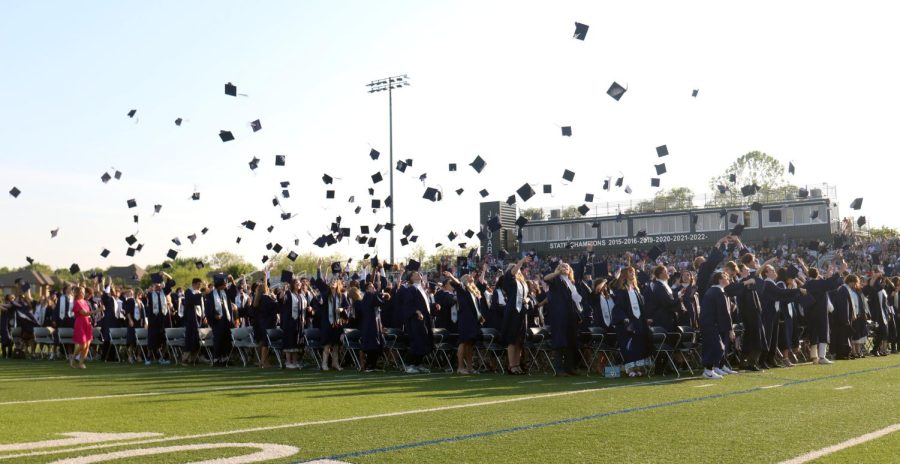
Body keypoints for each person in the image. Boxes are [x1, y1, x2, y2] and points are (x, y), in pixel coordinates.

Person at [543, 258, 585, 377]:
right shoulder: (556, 280)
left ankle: (569, 368)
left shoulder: (571, 282)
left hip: (571, 316)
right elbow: (546, 278)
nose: (564, 268)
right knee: (560, 343)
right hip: (559, 316)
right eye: (562, 266)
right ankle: (558, 369)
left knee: (570, 342)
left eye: (566, 267)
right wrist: (557, 272)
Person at [611, 266, 652, 377]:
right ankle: (630, 369)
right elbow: (618, 307)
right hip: (627, 323)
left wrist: (645, 318)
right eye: (630, 272)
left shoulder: (636, 289)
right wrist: (624, 318)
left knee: (639, 345)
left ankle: (639, 368)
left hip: (638, 322)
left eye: (633, 272)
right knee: (629, 346)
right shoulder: (620, 290)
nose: (632, 273)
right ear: (624, 274)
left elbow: (641, 307)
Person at [444, 270, 485, 375]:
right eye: (468, 275)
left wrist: (483, 270)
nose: (470, 276)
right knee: (463, 342)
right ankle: (460, 367)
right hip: (465, 320)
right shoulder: (462, 289)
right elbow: (457, 284)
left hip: (474, 320)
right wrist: (451, 276)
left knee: (470, 344)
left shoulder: (473, 291)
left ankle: (470, 367)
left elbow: (481, 283)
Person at [700, 272, 737, 379]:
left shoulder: (714, 290)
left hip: (710, 323)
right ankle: (708, 371)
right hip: (711, 324)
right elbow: (725, 312)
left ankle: (713, 368)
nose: (728, 278)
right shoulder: (718, 291)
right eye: (726, 277)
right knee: (716, 347)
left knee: (717, 347)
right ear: (720, 280)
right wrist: (730, 330)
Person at [499, 255, 531, 375]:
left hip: (522, 312)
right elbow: (513, 272)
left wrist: (527, 300)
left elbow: (526, 296)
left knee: (519, 340)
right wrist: (521, 261)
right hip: (513, 311)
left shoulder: (522, 283)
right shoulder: (509, 279)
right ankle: (511, 366)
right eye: (514, 268)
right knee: (512, 339)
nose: (517, 270)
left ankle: (517, 365)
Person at [314, 261, 350, 371]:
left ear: (338, 283)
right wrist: (319, 267)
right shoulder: (325, 294)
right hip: (327, 323)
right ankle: (324, 364)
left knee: (336, 346)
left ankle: (335, 364)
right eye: (331, 281)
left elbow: (347, 309)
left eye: (335, 281)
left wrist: (342, 309)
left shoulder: (342, 296)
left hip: (338, 323)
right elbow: (319, 281)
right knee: (327, 345)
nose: (333, 282)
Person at [397, 269, 434, 374]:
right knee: (417, 342)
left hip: (424, 319)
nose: (419, 274)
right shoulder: (411, 289)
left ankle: (418, 364)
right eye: (415, 274)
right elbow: (408, 304)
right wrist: (417, 311)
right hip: (416, 320)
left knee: (424, 341)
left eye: (419, 273)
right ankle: (409, 365)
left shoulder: (421, 288)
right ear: (411, 278)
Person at [205, 276, 235, 367]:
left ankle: (226, 358)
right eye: (224, 283)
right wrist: (214, 315)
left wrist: (232, 280)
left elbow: (234, 293)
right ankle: (217, 359)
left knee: (227, 339)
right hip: (217, 321)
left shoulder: (225, 292)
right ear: (219, 284)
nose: (226, 285)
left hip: (227, 320)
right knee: (218, 340)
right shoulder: (210, 295)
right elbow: (208, 309)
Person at [280, 277, 307, 369]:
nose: (299, 284)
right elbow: (282, 299)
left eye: (299, 283)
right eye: (296, 283)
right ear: (292, 285)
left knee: (296, 342)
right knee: (289, 341)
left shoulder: (301, 295)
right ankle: (288, 362)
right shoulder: (289, 293)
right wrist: (284, 290)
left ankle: (295, 362)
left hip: (299, 322)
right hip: (290, 321)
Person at [250, 277, 277, 369]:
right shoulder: (266, 298)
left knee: (261, 343)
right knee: (265, 343)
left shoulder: (257, 299)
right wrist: (275, 299)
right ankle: (264, 362)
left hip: (259, 324)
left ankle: (261, 361)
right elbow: (275, 307)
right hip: (266, 323)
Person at [71, 287, 100, 369]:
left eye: (84, 292)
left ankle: (81, 363)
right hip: (80, 324)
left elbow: (89, 313)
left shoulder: (85, 302)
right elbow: (84, 313)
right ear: (78, 293)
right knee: (83, 344)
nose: (83, 294)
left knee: (87, 345)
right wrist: (98, 310)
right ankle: (73, 357)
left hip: (87, 323)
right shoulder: (77, 302)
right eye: (81, 292)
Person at [181, 278, 204, 365]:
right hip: (190, 318)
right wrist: (201, 294)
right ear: (193, 284)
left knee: (196, 339)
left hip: (197, 318)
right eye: (198, 284)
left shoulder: (197, 292)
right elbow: (191, 300)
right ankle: (185, 359)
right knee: (190, 338)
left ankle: (193, 358)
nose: (199, 286)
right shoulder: (188, 291)